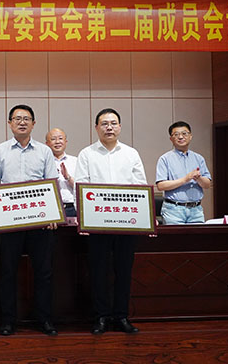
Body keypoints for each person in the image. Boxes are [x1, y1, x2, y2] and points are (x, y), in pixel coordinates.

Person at [0, 104, 59, 337]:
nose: (22, 122)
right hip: (10, 221)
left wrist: (54, 214)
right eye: (17, 118)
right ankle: (8, 321)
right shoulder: (0, 150)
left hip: (40, 222)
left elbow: (52, 184)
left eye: (26, 119)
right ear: (10, 123)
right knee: (8, 272)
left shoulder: (45, 151)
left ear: (34, 124)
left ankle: (44, 320)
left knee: (43, 272)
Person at [74, 108, 147, 335]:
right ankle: (101, 317)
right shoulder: (86, 154)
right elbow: (80, 187)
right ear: (96, 128)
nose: (109, 127)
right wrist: (85, 220)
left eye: (113, 123)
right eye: (104, 124)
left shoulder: (131, 153)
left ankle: (121, 316)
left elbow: (140, 186)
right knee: (99, 272)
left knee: (123, 271)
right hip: (98, 224)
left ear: (120, 127)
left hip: (126, 224)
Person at [155, 121, 212, 224]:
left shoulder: (199, 158)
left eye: (184, 133)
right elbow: (161, 185)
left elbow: (207, 184)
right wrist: (186, 179)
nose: (181, 137)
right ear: (171, 139)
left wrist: (199, 178)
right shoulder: (165, 159)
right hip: (173, 210)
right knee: (175, 235)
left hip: (196, 210)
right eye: (176, 134)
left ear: (190, 136)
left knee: (198, 235)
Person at [45, 128, 78, 219]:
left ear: (66, 142)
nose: (57, 142)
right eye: (53, 139)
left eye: (60, 138)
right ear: (47, 144)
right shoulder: (43, 163)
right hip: (51, 208)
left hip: (72, 208)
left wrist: (68, 177)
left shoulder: (76, 161)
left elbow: (80, 188)